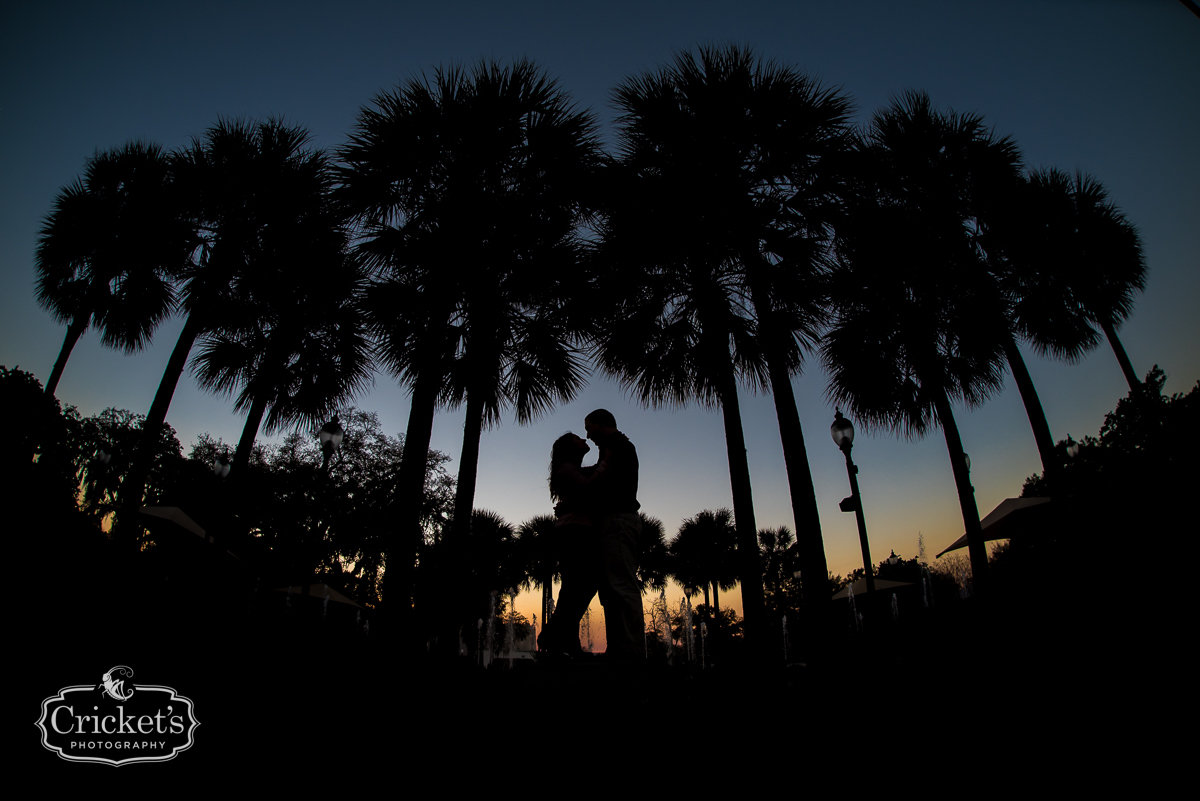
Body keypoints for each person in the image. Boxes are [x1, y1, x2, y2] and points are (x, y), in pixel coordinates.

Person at [536, 432, 607, 659]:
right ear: (569, 447)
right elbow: (589, 486)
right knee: (581, 585)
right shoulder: (566, 469)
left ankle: (564, 640)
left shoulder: (571, 469)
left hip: (576, 531)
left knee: (575, 587)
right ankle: (554, 635)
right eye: (578, 439)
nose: (584, 441)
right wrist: (606, 464)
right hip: (574, 532)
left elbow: (588, 477)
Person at [583, 408, 644, 662]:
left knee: (621, 585)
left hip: (618, 520)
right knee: (612, 588)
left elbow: (601, 480)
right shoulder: (612, 447)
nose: (588, 435)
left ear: (601, 424)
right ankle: (621, 648)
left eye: (590, 428)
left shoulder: (618, 446)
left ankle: (630, 650)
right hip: (614, 521)